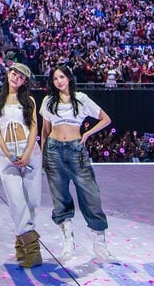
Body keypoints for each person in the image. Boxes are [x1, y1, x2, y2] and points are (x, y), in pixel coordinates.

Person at [40, 64, 113, 261]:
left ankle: (99, 243)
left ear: (69, 78)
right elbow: (45, 131)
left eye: (62, 77)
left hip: (76, 150)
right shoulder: (48, 101)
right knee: (59, 196)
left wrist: (87, 134)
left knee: (91, 195)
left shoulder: (81, 99)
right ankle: (68, 241)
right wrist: (43, 155)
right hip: (53, 150)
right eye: (55, 79)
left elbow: (105, 119)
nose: (59, 81)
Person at [0, 62, 43, 268]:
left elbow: (34, 127)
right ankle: (33, 249)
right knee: (16, 201)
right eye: (14, 74)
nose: (16, 78)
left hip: (30, 151)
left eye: (21, 77)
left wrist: (27, 152)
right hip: (8, 154)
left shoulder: (29, 100)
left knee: (32, 202)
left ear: (24, 82)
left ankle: (21, 245)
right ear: (8, 73)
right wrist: (7, 153)